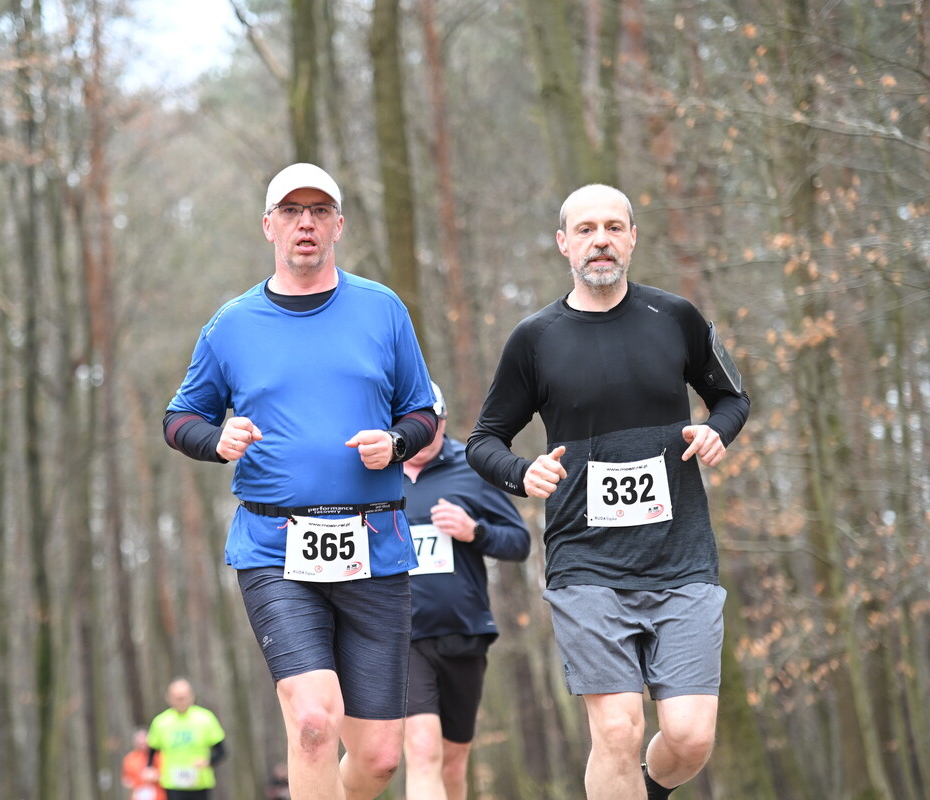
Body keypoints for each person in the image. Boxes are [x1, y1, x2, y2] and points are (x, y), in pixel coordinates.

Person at [162, 162, 437, 800]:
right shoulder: (231, 324)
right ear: (268, 227)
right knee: (313, 722)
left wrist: (396, 442)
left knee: (378, 758)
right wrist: (216, 439)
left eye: (318, 211)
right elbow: (179, 420)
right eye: (291, 211)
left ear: (338, 224)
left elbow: (422, 414)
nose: (305, 223)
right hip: (274, 548)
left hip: (376, 545)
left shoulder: (382, 309)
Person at [466, 184, 750, 800]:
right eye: (588, 228)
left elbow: (732, 396)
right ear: (564, 242)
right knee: (618, 728)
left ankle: (646, 789)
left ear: (632, 238)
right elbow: (483, 440)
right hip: (587, 562)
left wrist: (716, 431)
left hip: (682, 557)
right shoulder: (535, 338)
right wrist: (523, 473)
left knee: (690, 737)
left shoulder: (675, 317)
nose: (602, 240)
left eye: (615, 227)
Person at [401, 381, 531, 800]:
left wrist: (473, 531)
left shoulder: (472, 467)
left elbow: (519, 541)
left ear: (441, 422)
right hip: (400, 633)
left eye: (428, 426)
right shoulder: (374, 473)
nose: (419, 436)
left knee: (454, 760)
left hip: (463, 629)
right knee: (421, 750)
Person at [145, 678, 227, 799]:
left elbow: (221, 751)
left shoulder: (206, 718)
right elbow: (152, 750)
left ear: (192, 696)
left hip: (200, 783)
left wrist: (208, 761)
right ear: (169, 698)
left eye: (184, 697)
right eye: (177, 697)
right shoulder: (160, 722)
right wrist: (149, 768)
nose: (181, 701)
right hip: (172, 784)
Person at [122, 728, 166, 800]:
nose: (141, 743)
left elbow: (167, 776)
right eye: (139, 741)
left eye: (143, 739)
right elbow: (126, 778)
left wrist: (157, 776)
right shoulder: (129, 758)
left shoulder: (158, 756)